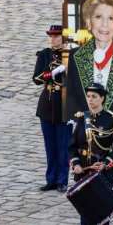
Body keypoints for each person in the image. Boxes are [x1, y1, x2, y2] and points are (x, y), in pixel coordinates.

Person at [69, 83, 113, 225]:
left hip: (102, 175)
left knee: (101, 215)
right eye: (88, 96)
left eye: (94, 97)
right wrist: (76, 164)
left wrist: (105, 164)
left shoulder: (111, 120)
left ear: (102, 98)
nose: (90, 100)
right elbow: (72, 147)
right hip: (84, 172)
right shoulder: (82, 118)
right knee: (85, 214)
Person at [33, 25, 72, 193]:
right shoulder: (45, 55)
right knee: (50, 145)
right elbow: (36, 78)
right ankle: (51, 178)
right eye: (52, 36)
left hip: (64, 105)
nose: (53, 39)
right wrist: (50, 73)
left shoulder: (72, 56)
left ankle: (63, 180)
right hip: (47, 103)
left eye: (57, 36)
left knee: (64, 146)